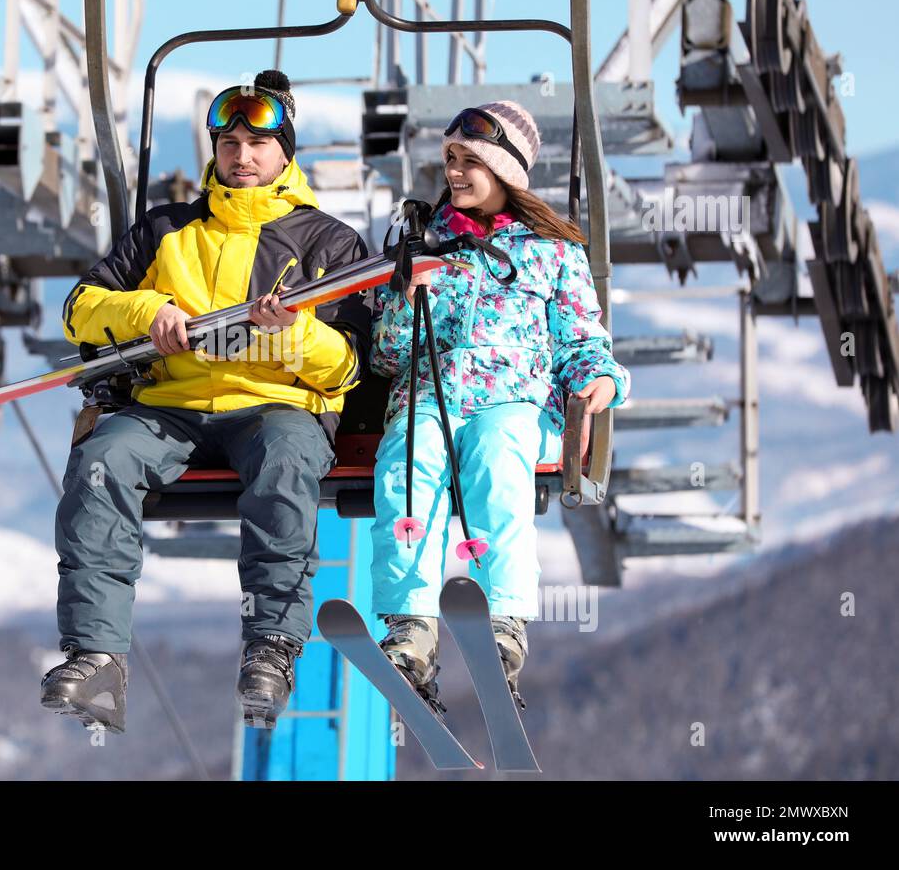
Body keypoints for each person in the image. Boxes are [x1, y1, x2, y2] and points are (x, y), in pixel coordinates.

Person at [42, 70, 373, 732]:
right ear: (214, 151)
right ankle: (97, 658)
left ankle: (271, 647)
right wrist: (147, 310)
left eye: (258, 144)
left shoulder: (328, 244)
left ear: (286, 152)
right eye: (229, 144)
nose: (242, 158)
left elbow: (352, 366)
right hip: (173, 406)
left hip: (277, 406)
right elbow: (81, 308)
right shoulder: (165, 231)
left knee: (285, 467)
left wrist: (297, 335)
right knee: (101, 462)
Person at [368, 100, 630, 712]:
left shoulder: (553, 251)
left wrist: (602, 381)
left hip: (516, 405)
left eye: (470, 162)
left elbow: (583, 341)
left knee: (496, 455)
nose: (455, 173)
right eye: (450, 160)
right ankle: (411, 626)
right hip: (432, 397)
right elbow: (385, 355)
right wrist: (408, 295)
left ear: (506, 169)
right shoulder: (424, 246)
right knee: (407, 461)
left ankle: (504, 621)